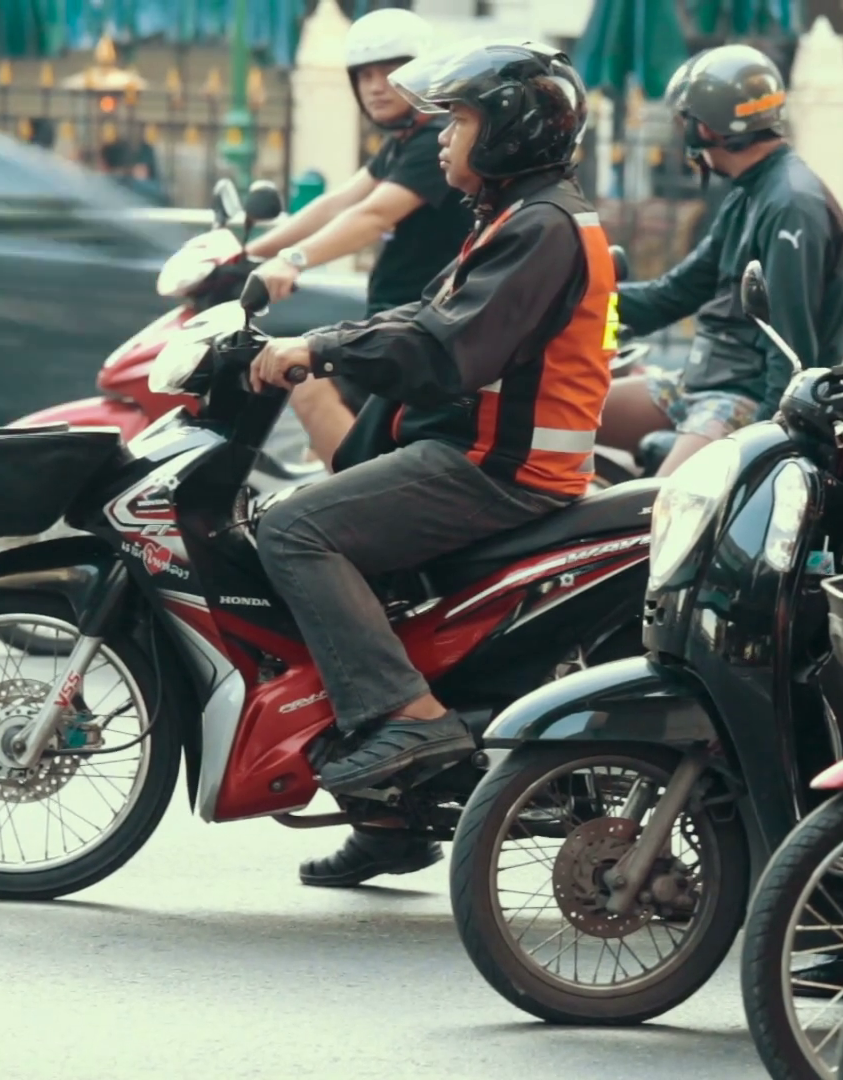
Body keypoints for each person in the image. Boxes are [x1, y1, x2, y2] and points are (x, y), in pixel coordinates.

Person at [247, 41, 614, 889]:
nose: (444, 137)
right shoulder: (518, 216)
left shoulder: (542, 228)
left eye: (462, 120)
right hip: (478, 453)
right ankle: (390, 820)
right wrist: (327, 344)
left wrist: (321, 346)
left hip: (497, 467)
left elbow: (445, 349)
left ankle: (407, 718)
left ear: (511, 133)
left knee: (296, 528)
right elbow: (427, 311)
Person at [597, 44, 843, 477]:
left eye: (686, 120)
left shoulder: (790, 204)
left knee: (649, 517)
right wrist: (578, 297)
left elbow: (791, 352)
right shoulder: (748, 193)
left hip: (742, 397)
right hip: (696, 383)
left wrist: (766, 443)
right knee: (558, 418)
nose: (683, 132)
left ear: (708, 128)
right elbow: (676, 293)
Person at [236, 8, 475, 466]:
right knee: (319, 441)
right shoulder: (407, 141)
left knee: (305, 379)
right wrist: (246, 250)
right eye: (364, 75)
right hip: (400, 321)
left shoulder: (435, 144)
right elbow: (337, 202)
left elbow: (373, 215)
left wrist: (294, 260)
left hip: (423, 329)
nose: (376, 85)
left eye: (391, 70)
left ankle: (361, 513)